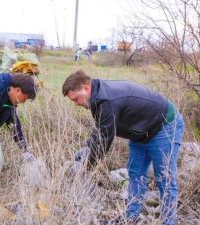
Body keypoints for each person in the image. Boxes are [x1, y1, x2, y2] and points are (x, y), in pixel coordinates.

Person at [62, 70, 184, 225]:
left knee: (164, 179)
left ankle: (168, 221)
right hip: (139, 132)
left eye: (76, 99)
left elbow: (104, 140)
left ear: (86, 89)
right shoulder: (96, 98)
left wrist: (86, 167)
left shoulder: (106, 100)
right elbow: (99, 129)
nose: (76, 104)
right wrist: (87, 148)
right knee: (136, 175)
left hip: (164, 127)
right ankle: (131, 217)